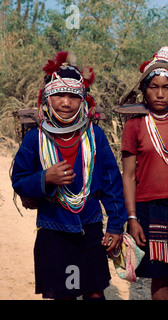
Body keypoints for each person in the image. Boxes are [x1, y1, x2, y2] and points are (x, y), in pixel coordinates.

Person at [11, 51, 128, 300]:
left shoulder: (94, 136)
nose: (66, 103)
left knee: (94, 292)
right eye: (59, 95)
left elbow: (112, 183)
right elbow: (19, 180)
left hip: (91, 226)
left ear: (83, 100)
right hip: (53, 229)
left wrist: (116, 225)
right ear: (47, 99)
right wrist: (45, 178)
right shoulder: (35, 138)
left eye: (73, 96)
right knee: (62, 293)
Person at [121, 46, 168, 300]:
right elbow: (129, 176)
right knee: (160, 275)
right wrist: (132, 218)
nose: (160, 94)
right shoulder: (134, 125)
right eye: (154, 87)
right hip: (148, 208)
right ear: (144, 90)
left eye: (167, 87)